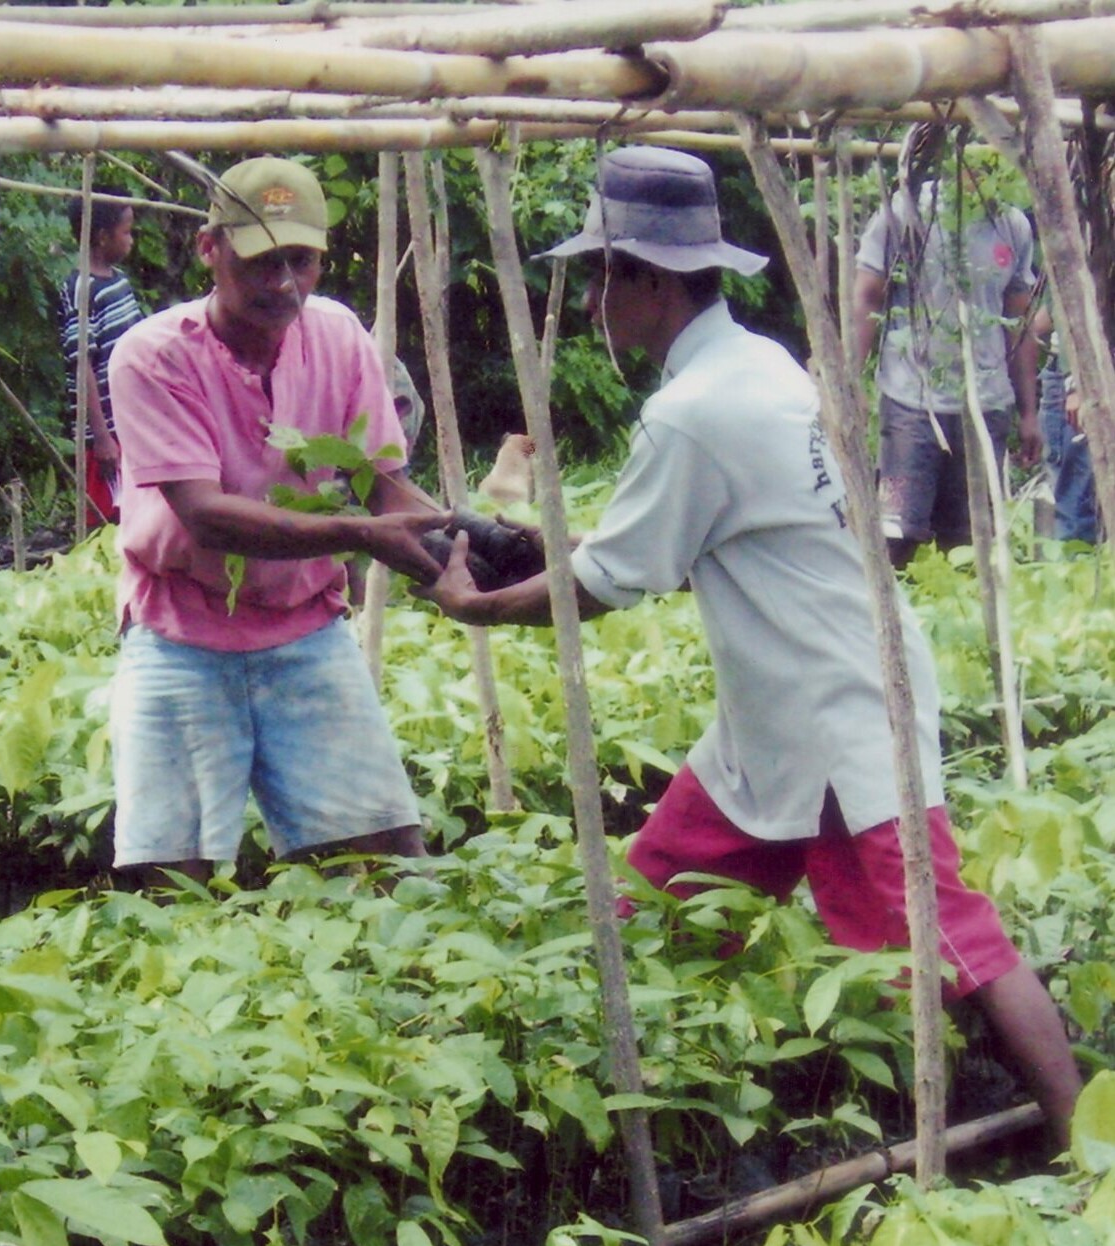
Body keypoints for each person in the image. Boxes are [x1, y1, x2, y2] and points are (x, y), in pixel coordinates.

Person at [425, 144, 1081, 1154]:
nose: (599, 299)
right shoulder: (756, 362)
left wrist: (477, 606)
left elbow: (606, 582)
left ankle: (1086, 1148)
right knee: (661, 904)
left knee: (947, 931)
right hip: (782, 710)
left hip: (834, 709)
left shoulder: (694, 411)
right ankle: (657, 1109)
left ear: (646, 280)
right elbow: (682, 536)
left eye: (606, 275)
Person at [106, 155, 449, 882]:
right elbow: (204, 515)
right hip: (180, 636)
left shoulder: (338, 334)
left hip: (306, 630)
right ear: (211, 249)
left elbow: (382, 482)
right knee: (166, 887)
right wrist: (359, 534)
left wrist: (459, 553)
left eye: (301, 260)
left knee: (388, 866)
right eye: (263, 262)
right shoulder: (152, 355)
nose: (284, 283)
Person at [852, 123, 1040, 569]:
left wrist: (1029, 411)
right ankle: (889, 629)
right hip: (912, 401)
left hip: (985, 405)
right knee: (896, 534)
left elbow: (1020, 320)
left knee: (971, 543)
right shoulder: (904, 213)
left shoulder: (1011, 224)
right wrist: (850, 381)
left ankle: (968, 633)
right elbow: (865, 296)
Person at [57, 191, 144, 530]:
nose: (131, 240)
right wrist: (102, 436)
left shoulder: (118, 281)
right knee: (105, 518)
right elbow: (83, 365)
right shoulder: (82, 289)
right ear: (103, 236)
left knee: (134, 511)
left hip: (130, 420)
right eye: (126, 232)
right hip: (105, 428)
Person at [1034, 302, 1099, 546]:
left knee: (1078, 503)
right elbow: (1052, 311)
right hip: (1076, 374)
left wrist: (1076, 380)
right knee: (1075, 502)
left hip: (1084, 373)